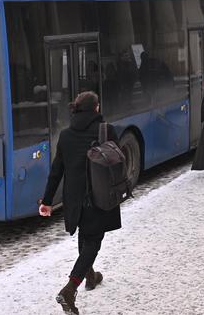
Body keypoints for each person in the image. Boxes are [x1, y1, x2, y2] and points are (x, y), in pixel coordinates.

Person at [39, 91, 121, 315]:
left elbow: (57, 171)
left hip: (73, 199)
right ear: (96, 108)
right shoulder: (106, 130)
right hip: (98, 197)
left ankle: (91, 276)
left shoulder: (65, 135)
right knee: (93, 241)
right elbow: (117, 161)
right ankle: (70, 289)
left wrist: (47, 201)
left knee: (86, 234)